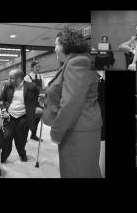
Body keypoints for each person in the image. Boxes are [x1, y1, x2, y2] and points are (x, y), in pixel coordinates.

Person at [43, 27, 102, 178]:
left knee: (76, 172)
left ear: (64, 45)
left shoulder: (77, 62)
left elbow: (71, 103)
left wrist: (56, 133)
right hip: (79, 128)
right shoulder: (74, 61)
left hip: (77, 130)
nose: (54, 48)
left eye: (56, 44)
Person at [0, 69, 40, 163]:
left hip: (23, 118)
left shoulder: (31, 87)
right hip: (9, 117)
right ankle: (3, 157)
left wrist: (38, 107)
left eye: (11, 78)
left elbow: (36, 99)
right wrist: (4, 110)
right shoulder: (7, 86)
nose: (9, 80)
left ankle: (22, 154)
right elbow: (1, 100)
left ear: (19, 79)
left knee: (21, 139)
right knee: (6, 137)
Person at [24, 61, 45, 141]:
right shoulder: (27, 77)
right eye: (36, 66)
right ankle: (24, 136)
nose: (38, 68)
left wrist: (43, 95)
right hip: (29, 101)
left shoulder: (40, 77)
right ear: (32, 68)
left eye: (39, 66)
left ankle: (33, 134)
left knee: (37, 118)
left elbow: (43, 88)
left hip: (38, 101)